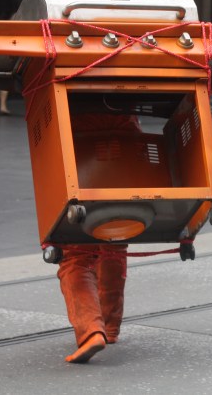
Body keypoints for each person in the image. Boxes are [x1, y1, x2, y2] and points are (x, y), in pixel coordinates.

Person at [58, 112, 138, 363]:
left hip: (76, 143)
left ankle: (91, 331)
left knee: (75, 251)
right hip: (126, 143)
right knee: (115, 232)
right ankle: (110, 326)